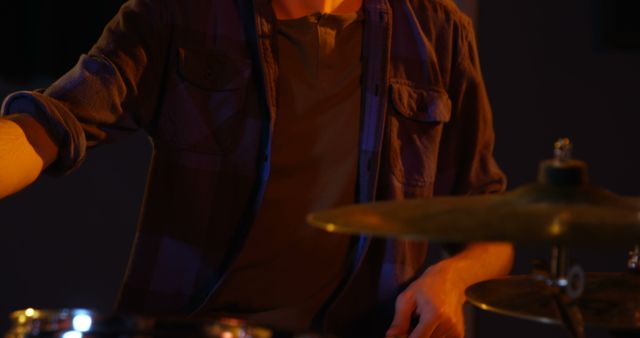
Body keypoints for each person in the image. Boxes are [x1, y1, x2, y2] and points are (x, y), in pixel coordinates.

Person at [0, 0, 514, 336]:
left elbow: (491, 224)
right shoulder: (177, 14)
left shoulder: (438, 32)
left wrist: (452, 278)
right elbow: (48, 124)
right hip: (195, 326)